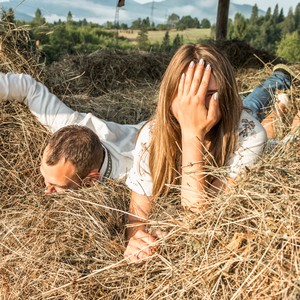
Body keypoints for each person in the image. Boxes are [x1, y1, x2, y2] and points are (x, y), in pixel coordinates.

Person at [123, 43, 295, 263]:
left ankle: (281, 80)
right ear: (170, 95)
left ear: (224, 96)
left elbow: (200, 215)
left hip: (254, 136)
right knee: (251, 105)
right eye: (188, 94)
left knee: (267, 120)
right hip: (239, 116)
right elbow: (136, 217)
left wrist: (191, 130)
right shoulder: (151, 136)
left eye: (211, 94)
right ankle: (282, 102)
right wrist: (137, 238)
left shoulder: (249, 134)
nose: (197, 105)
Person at [0, 72, 144, 193]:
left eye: (56, 186)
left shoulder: (135, 174)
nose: (46, 191)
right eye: (45, 177)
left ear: (91, 179)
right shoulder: (69, 122)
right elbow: (29, 88)